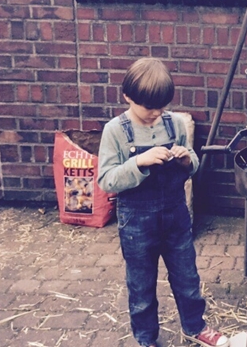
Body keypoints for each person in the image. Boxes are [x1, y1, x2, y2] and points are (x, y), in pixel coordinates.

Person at [98, 58, 229, 347]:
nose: (156, 113)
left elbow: (193, 164)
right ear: (128, 97)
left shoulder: (175, 124)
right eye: (149, 107)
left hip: (175, 214)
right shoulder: (115, 130)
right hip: (137, 221)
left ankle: (195, 327)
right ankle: (146, 338)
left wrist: (186, 159)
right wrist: (138, 162)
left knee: (187, 278)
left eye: (162, 106)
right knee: (141, 285)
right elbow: (106, 180)